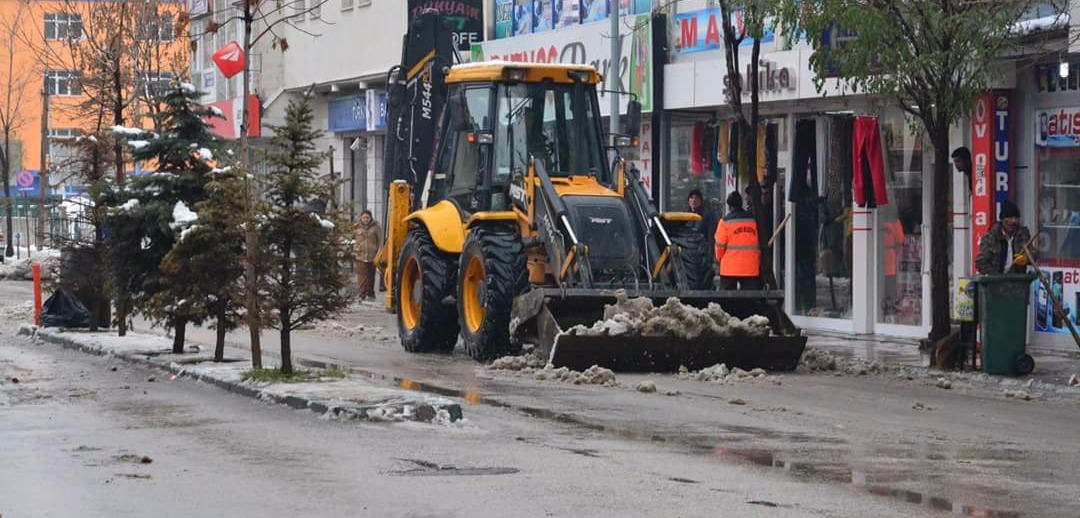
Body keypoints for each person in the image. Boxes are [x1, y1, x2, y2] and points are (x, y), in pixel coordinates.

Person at [714, 192, 762, 290]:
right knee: (750, 300)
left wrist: (720, 259)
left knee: (727, 300)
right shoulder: (752, 221)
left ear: (729, 206)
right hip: (750, 267)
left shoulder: (725, 222)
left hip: (729, 268)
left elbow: (720, 245)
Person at [976, 201, 1038, 275]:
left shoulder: (1023, 234)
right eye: (1010, 217)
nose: (1013, 221)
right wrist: (994, 276)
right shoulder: (991, 237)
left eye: (1016, 218)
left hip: (1018, 281)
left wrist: (1026, 258)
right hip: (995, 282)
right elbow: (980, 261)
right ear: (1002, 219)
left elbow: (1033, 254)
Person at [355, 210, 382, 300]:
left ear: (370, 218)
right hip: (360, 255)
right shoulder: (356, 227)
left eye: (367, 217)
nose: (366, 219)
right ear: (361, 218)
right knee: (361, 276)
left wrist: (379, 252)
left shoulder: (376, 227)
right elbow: (351, 240)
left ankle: (370, 293)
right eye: (364, 217)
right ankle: (361, 293)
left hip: (372, 255)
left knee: (371, 275)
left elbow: (380, 240)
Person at [688, 189, 719, 255]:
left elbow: (711, 237)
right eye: (691, 198)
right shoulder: (686, 216)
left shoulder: (708, 215)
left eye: (696, 198)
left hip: (702, 253)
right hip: (688, 252)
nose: (694, 200)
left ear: (701, 201)